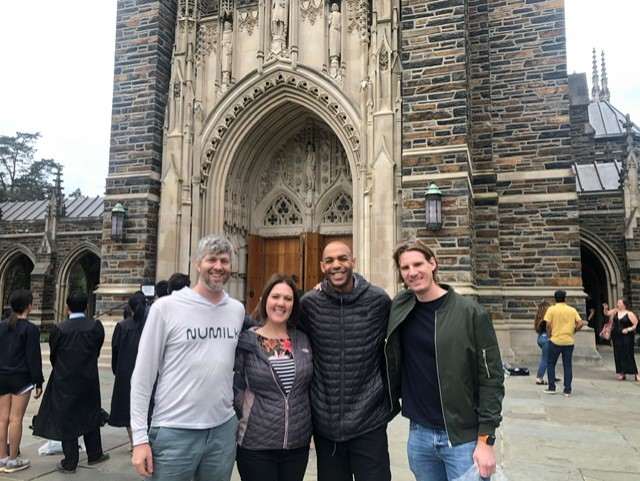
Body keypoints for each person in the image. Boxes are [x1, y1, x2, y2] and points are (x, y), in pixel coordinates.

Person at [386, 238, 505, 481]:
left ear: (433, 264)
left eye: (418, 264)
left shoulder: (471, 313)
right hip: (419, 434)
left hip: (463, 438)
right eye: (405, 268)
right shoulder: (400, 306)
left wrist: (486, 440)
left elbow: (491, 380)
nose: (412, 272)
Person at [130, 235, 246, 481]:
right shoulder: (166, 308)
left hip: (222, 430)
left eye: (224, 261)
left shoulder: (236, 310)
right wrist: (139, 439)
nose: (218, 266)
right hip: (174, 429)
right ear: (197, 264)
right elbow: (143, 375)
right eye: (211, 259)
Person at [299, 241, 393, 481]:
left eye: (342, 258)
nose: (336, 265)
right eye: (329, 261)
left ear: (353, 262)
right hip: (326, 425)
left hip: (369, 422)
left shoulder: (378, 301)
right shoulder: (310, 304)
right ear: (322, 266)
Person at [234, 273, 313, 481]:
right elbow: (230, 382)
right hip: (256, 445)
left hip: (297, 445)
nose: (281, 303)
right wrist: (246, 412)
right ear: (265, 300)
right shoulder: (247, 340)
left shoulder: (303, 340)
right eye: (275, 296)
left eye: (288, 298)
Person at [34, 291, 109, 474]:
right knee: (90, 412)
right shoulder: (95, 326)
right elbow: (97, 350)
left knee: (67, 417)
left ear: (67, 307)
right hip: (89, 377)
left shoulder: (59, 329)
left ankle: (70, 461)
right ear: (86, 307)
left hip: (64, 379)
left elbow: (54, 354)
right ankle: (95, 453)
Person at [0, 289, 44, 473]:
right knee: (16, 418)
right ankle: (12, 460)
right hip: (21, 377)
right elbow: (33, 358)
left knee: (2, 419)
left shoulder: (1, 325)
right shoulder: (31, 329)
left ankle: (2, 456)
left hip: (2, 376)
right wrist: (38, 382)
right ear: (29, 306)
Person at [109, 292, 148, 449]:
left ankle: (135, 443)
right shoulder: (151, 326)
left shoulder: (122, 327)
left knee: (128, 410)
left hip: (126, 372)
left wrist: (116, 369)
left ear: (130, 308)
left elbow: (115, 350)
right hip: (146, 372)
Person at [543, 290, 584, 397]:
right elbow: (580, 323)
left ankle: (551, 387)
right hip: (569, 341)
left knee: (551, 364)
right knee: (567, 365)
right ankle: (567, 390)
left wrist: (549, 336)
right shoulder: (572, 310)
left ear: (555, 299)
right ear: (565, 299)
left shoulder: (551, 309)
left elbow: (548, 325)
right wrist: (573, 331)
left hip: (555, 340)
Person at [603, 298, 639, 381]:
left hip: (627, 336)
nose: (617, 304)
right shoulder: (615, 311)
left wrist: (628, 329)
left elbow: (636, 324)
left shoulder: (629, 314)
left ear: (624, 304)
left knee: (628, 353)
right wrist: (605, 308)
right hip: (616, 335)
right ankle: (622, 373)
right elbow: (607, 313)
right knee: (618, 353)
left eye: (619, 302)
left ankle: (635, 373)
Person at [534, 300, 550, 385]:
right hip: (546, 339)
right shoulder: (546, 319)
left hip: (540, 337)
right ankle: (539, 378)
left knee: (549, 358)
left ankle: (552, 376)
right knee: (545, 359)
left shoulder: (539, 318)